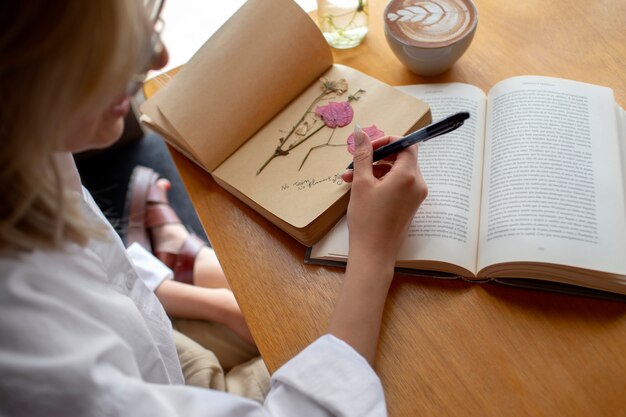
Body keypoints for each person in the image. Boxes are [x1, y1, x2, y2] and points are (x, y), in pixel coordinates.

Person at [0, 1, 428, 416]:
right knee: (372, 352)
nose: (158, 56)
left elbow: (100, 271)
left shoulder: (22, 144)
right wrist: (373, 252)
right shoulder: (31, 350)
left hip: (152, 343)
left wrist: (218, 306)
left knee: (259, 302)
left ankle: (182, 260)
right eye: (99, 46)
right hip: (151, 380)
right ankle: (184, 258)